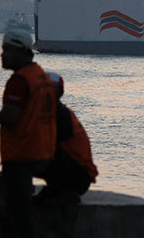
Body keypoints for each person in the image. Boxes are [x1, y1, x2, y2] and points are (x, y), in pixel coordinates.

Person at [0, 29, 56, 238]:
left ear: (21, 51)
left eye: (7, 49)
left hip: (21, 154)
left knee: (22, 218)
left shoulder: (19, 81)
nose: (2, 55)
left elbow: (10, 116)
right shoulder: (40, 76)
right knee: (19, 213)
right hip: (40, 151)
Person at [34, 73, 98, 204]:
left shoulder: (59, 114)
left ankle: (61, 191)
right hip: (77, 174)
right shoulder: (52, 112)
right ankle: (54, 189)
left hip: (77, 178)